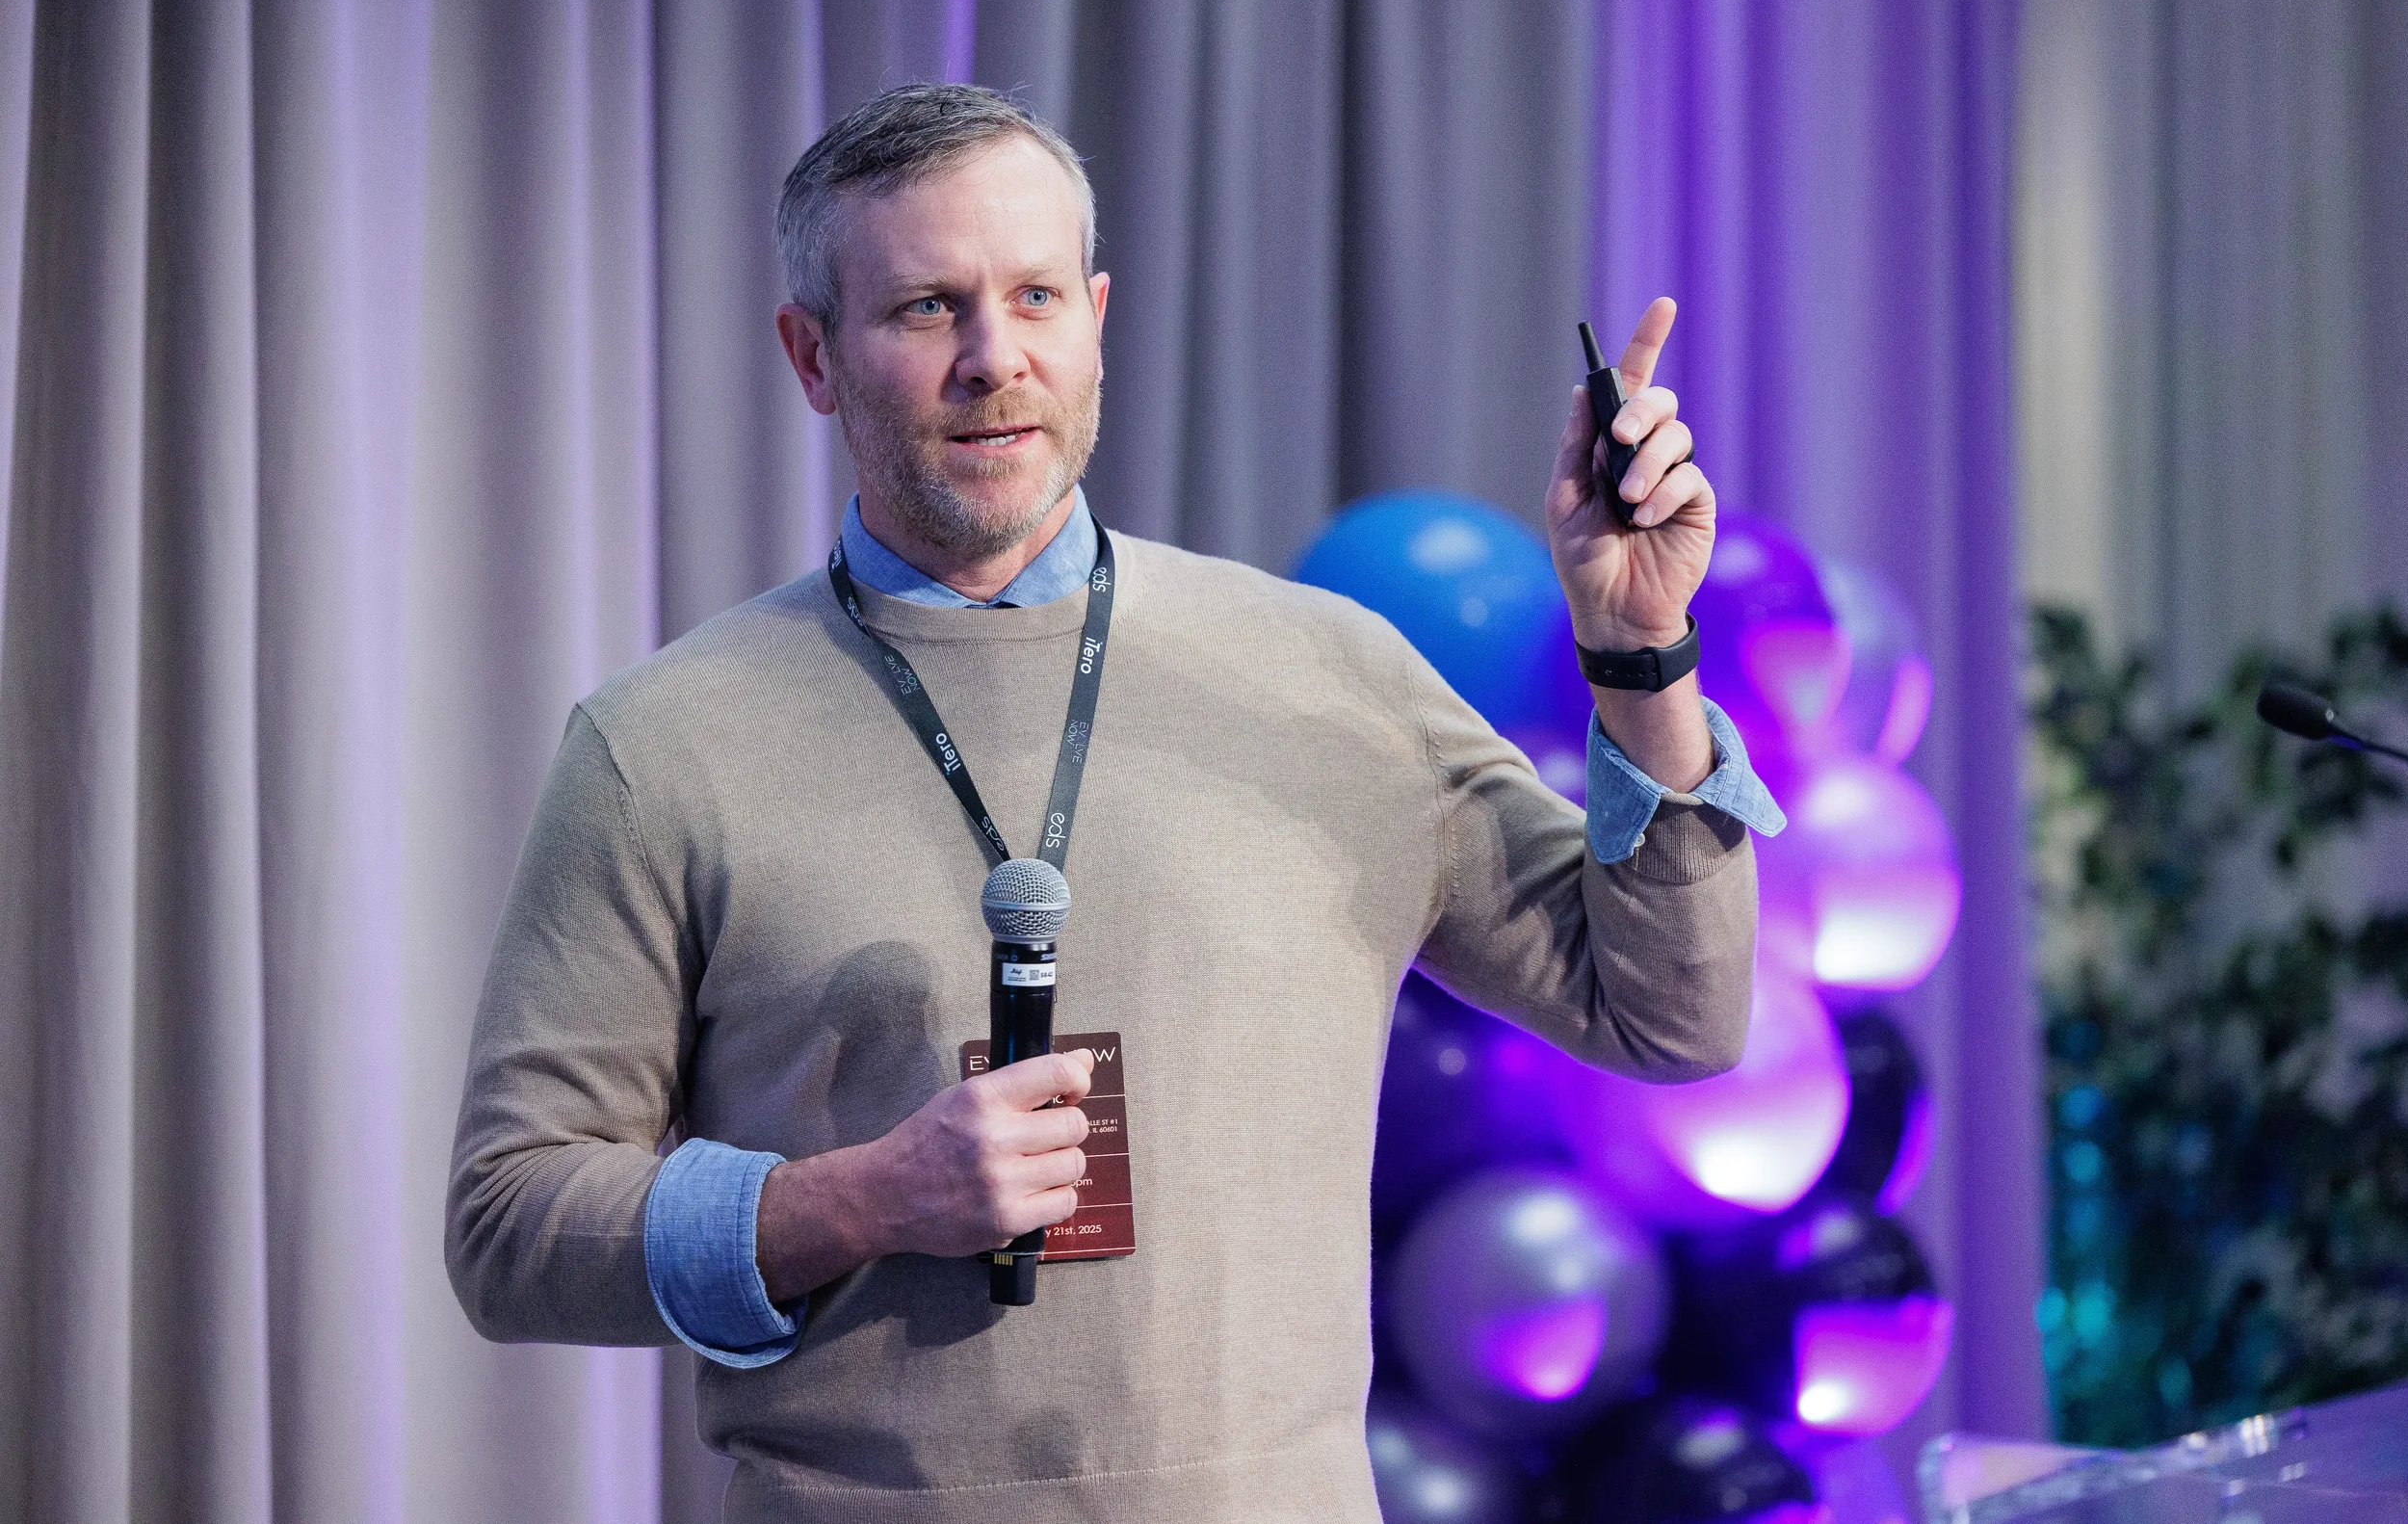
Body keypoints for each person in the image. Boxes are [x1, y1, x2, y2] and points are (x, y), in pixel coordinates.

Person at [446, 83, 1782, 1523]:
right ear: (811, 354)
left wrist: (1640, 653)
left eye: (1034, 297)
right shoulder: (664, 742)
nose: (993, 358)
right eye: (926, 308)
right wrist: (862, 1198)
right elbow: (510, 1223)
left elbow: (1671, 1016)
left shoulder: (1331, 675)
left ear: (1095, 318)